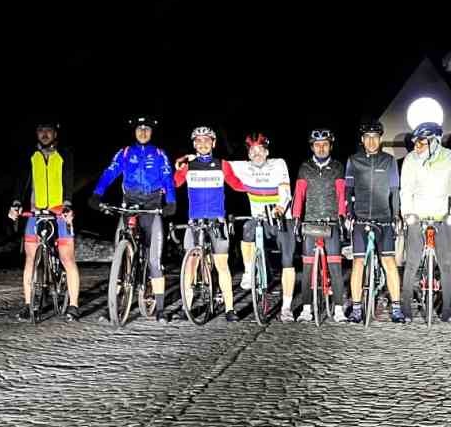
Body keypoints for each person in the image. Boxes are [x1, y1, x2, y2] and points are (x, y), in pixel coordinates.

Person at [88, 115, 176, 321]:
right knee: (119, 256)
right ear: (134, 132)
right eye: (139, 129)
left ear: (152, 132)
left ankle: (161, 308)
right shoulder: (125, 153)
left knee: (154, 259)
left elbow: (168, 179)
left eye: (147, 129)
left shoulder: (160, 154)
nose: (143, 132)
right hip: (129, 205)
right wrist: (96, 194)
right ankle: (114, 305)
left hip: (153, 206)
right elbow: (109, 173)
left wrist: (171, 202)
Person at [172, 126, 247, 323]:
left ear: (213, 143)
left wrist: (266, 189)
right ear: (194, 144)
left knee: (222, 265)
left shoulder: (222, 165)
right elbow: (172, 184)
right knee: (190, 265)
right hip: (195, 221)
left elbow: (238, 185)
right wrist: (178, 166)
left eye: (207, 140)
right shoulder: (189, 167)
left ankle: (230, 309)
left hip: (216, 221)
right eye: (198, 141)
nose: (203, 144)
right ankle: (186, 306)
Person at [8, 118, 80, 322]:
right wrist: (16, 203)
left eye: (49, 130)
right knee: (30, 259)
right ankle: (28, 304)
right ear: (37, 133)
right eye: (41, 130)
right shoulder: (31, 155)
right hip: (36, 211)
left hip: (59, 212)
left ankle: (73, 305)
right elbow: (22, 181)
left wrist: (67, 204)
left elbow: (68, 179)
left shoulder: (65, 153)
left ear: (55, 134)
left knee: (67, 258)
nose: (45, 134)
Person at [400, 121, 451, 322]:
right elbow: (406, 189)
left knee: (446, 264)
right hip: (417, 216)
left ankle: (448, 311)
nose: (416, 147)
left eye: (421, 143)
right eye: (415, 143)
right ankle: (405, 310)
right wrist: (408, 214)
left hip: (442, 217)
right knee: (411, 263)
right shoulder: (411, 159)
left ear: (434, 141)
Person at [228, 132, 297, 317]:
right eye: (252, 151)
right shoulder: (244, 167)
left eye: (260, 150)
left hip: (281, 217)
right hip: (259, 218)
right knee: (247, 229)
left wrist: (281, 207)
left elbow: (285, 190)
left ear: (267, 152)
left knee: (288, 262)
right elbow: (218, 165)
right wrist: (193, 158)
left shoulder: (278, 163)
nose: (256, 154)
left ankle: (286, 307)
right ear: (248, 154)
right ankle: (249, 270)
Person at [345, 121, 406, 323]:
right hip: (361, 218)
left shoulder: (389, 161)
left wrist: (396, 215)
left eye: (375, 137)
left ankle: (396, 308)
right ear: (362, 140)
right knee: (358, 262)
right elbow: (348, 190)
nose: (371, 141)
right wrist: (349, 213)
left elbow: (395, 191)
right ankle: (356, 309)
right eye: (367, 137)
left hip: (384, 219)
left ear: (380, 140)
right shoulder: (353, 161)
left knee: (389, 261)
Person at [291, 129, 350, 323]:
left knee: (335, 266)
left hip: (331, 221)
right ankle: (307, 309)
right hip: (310, 222)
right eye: (317, 144)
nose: (321, 147)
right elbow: (298, 195)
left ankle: (339, 309)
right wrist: (296, 217)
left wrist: (342, 216)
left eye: (325, 144)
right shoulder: (304, 168)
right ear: (312, 147)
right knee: (308, 268)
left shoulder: (337, 167)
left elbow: (341, 194)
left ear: (331, 146)